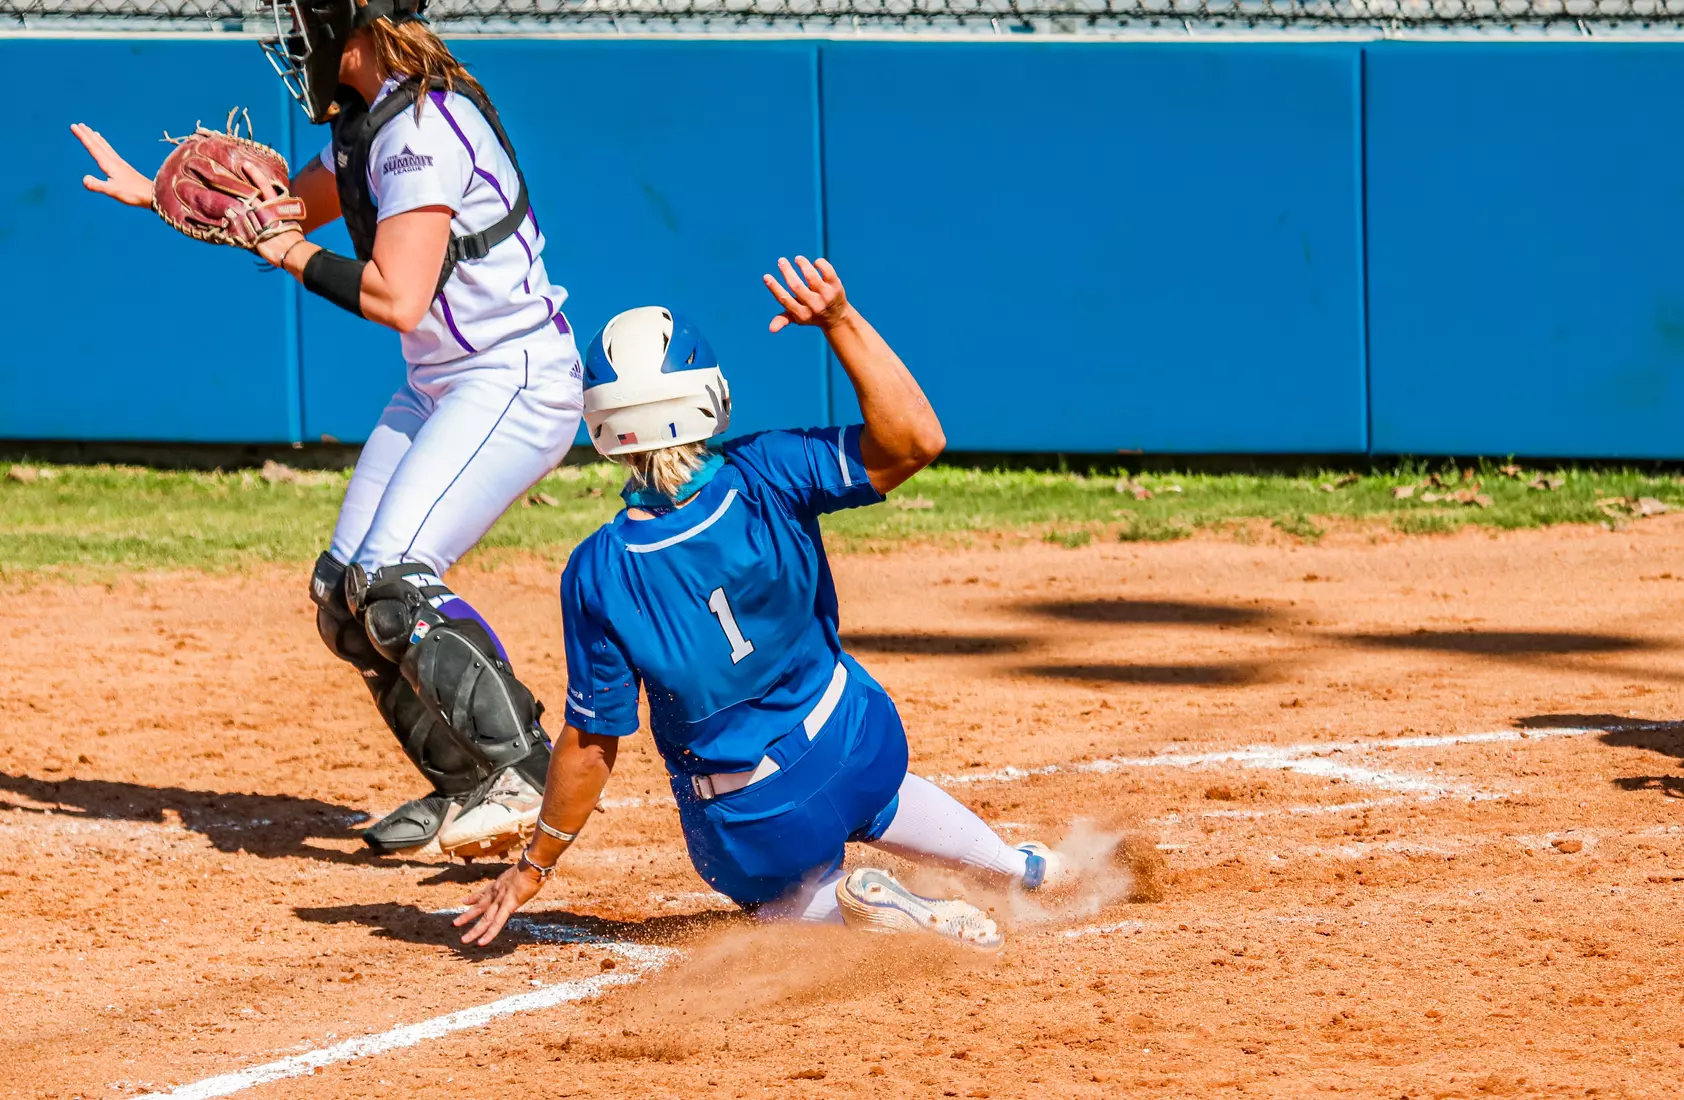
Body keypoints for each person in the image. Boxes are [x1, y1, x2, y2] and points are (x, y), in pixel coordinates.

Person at [69, 0, 577, 858]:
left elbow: (395, 297)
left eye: (303, 15)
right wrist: (161, 195)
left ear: (352, 16)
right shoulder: (370, 123)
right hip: (441, 383)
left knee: (393, 583)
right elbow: (284, 211)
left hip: (510, 380)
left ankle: (524, 772)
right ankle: (466, 784)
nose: (292, 35)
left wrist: (282, 251)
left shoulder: (421, 130)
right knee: (345, 597)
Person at [454, 256, 1073, 950]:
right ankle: (1019, 867)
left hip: (757, 813)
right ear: (709, 395)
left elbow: (592, 744)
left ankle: (862, 908)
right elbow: (917, 441)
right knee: (876, 793)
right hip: (858, 738)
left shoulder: (600, 569)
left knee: (766, 896)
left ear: (601, 426)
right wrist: (839, 319)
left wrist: (533, 867)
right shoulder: (770, 470)